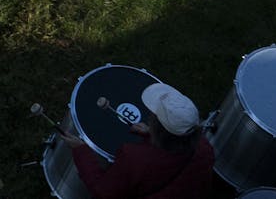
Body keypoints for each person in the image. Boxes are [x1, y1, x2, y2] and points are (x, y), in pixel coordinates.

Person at [67, 82, 215, 198]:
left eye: (155, 116)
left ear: (159, 129)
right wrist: (150, 134)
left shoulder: (134, 159)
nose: (151, 116)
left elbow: (103, 191)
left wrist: (80, 150)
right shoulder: (205, 149)